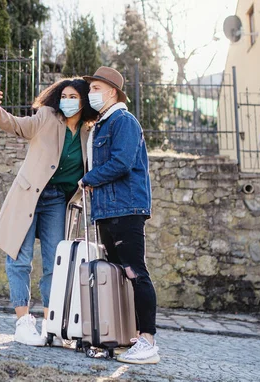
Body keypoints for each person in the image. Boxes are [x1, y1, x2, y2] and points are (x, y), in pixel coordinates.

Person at [0, 77, 98, 346]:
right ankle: (23, 322)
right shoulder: (46, 116)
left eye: (73, 97)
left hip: (58, 201)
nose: (67, 102)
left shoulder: (87, 133)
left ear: (83, 101)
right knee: (19, 259)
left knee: (54, 264)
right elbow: (16, 125)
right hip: (30, 195)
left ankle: (51, 324)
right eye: (64, 96)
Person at [78, 66, 160, 364]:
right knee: (119, 275)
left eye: (96, 88)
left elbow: (122, 162)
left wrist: (89, 179)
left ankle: (148, 341)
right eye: (91, 89)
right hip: (107, 210)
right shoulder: (102, 124)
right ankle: (129, 336)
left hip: (126, 208)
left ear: (112, 92)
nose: (91, 94)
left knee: (135, 272)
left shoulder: (123, 121)